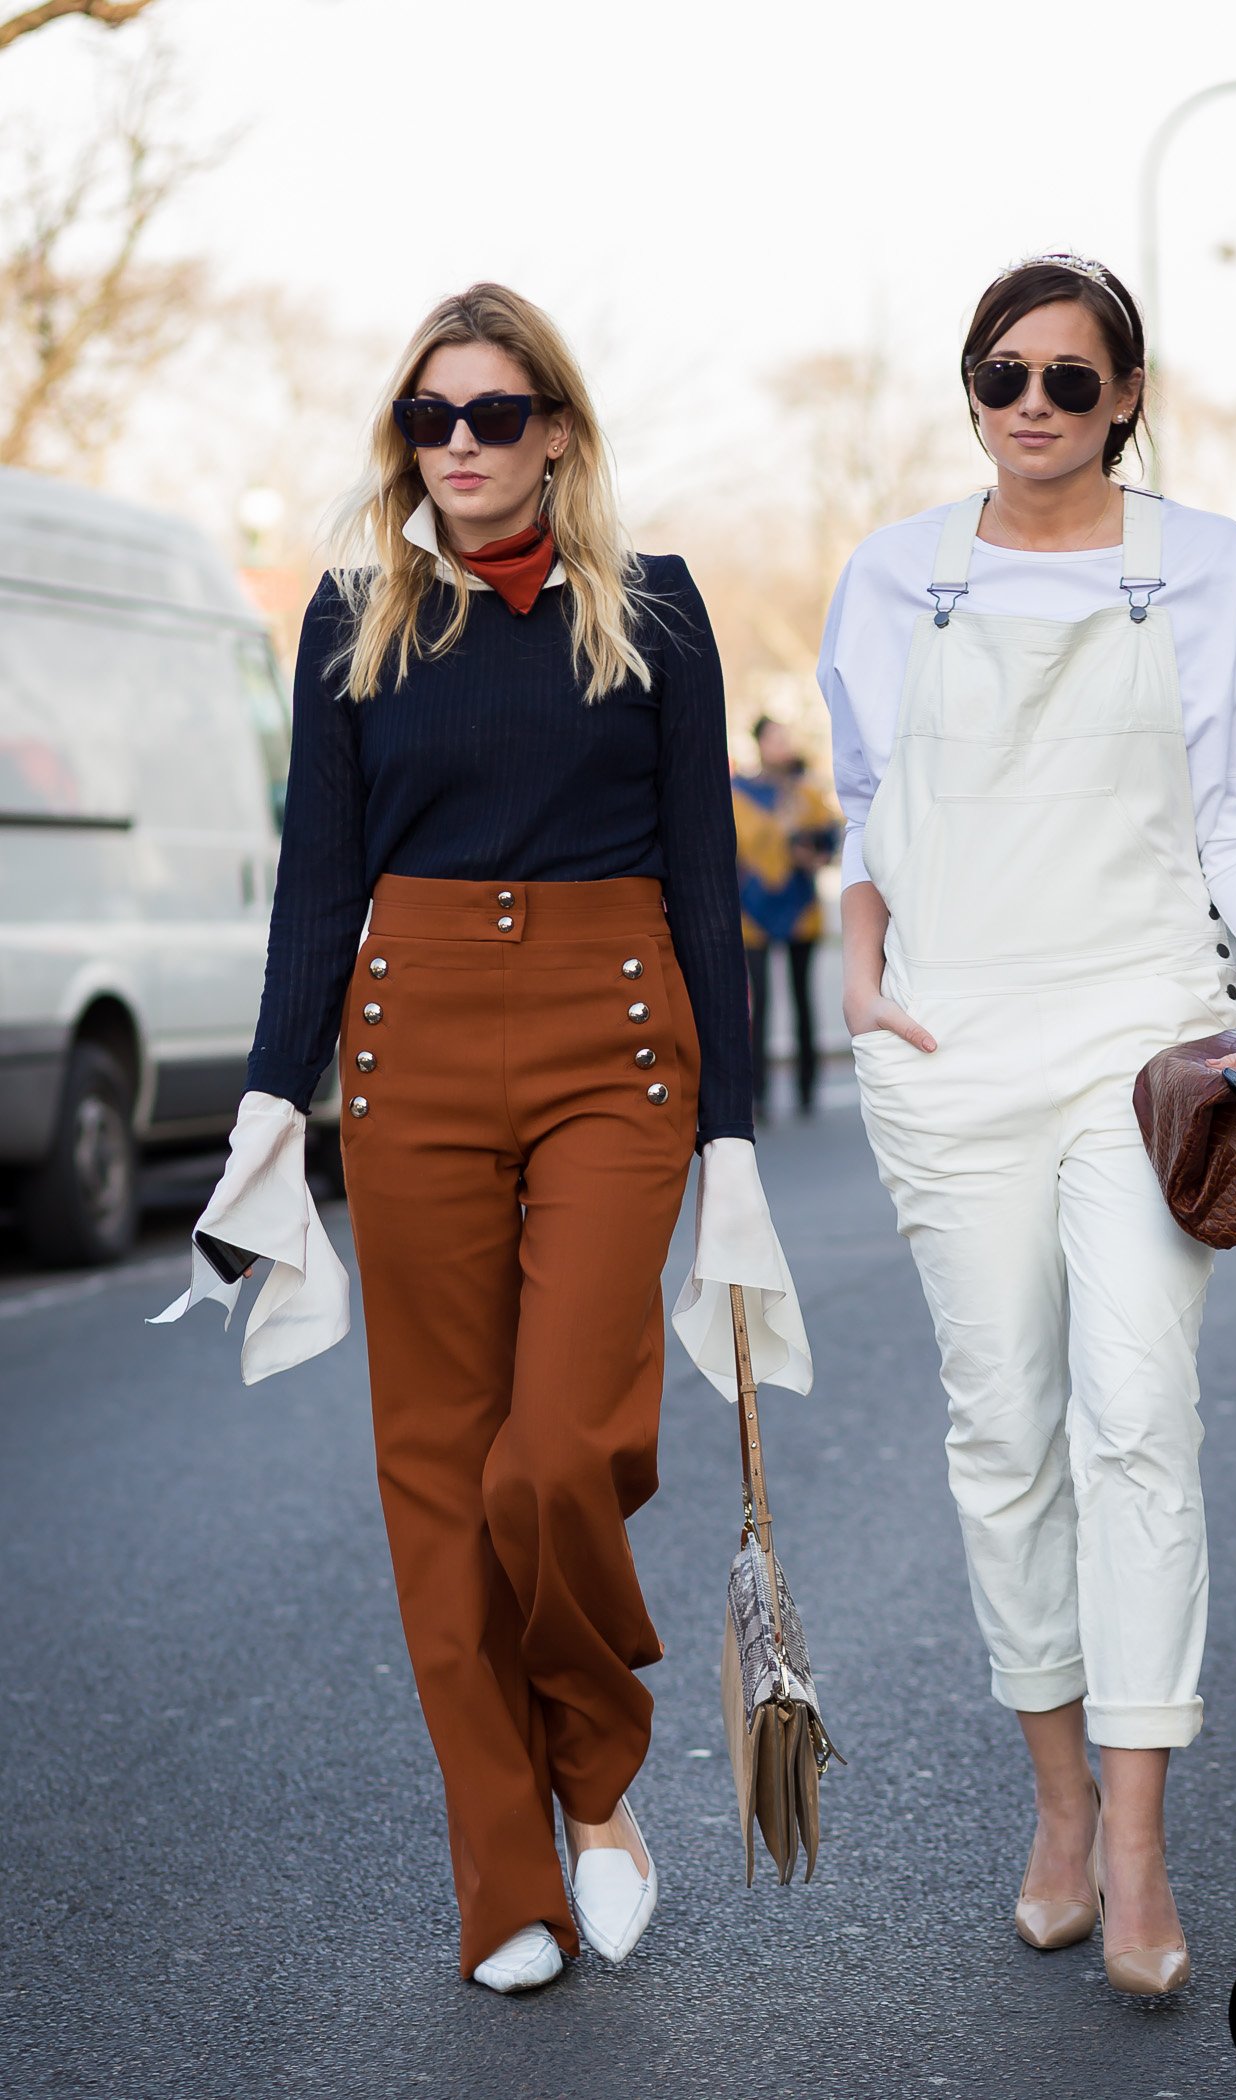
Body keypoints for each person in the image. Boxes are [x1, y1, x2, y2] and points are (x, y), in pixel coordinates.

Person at [151, 283, 810, 1994]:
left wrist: (733, 1138)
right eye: (428, 420)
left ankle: (599, 1778)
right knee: (439, 1482)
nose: (458, 446)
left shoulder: (651, 610)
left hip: (617, 1035)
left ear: (557, 432)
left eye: (492, 415)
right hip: (413, 1041)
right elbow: (320, 882)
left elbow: (700, 883)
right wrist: (269, 1109)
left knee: (557, 1453)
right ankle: (504, 1881)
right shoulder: (354, 617)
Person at [817, 253, 1236, 1997]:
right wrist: (863, 975)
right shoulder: (895, 577)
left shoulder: (1207, 568)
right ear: (971, 388)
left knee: (1137, 1417)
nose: (1027, 403)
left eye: (1064, 377)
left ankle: (1134, 1841)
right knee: (1007, 1438)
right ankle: (1051, 1806)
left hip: (1139, 1038)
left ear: (1124, 395)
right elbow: (869, 815)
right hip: (953, 1049)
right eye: (998, 373)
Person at [732, 718, 840, 1117]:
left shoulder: (806, 792)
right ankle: (756, 1092)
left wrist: (814, 852)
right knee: (757, 1003)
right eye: (774, 738)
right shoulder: (737, 795)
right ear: (759, 743)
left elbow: (830, 839)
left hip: (800, 909)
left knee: (802, 998)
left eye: (786, 738)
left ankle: (807, 1088)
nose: (783, 745)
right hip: (752, 912)